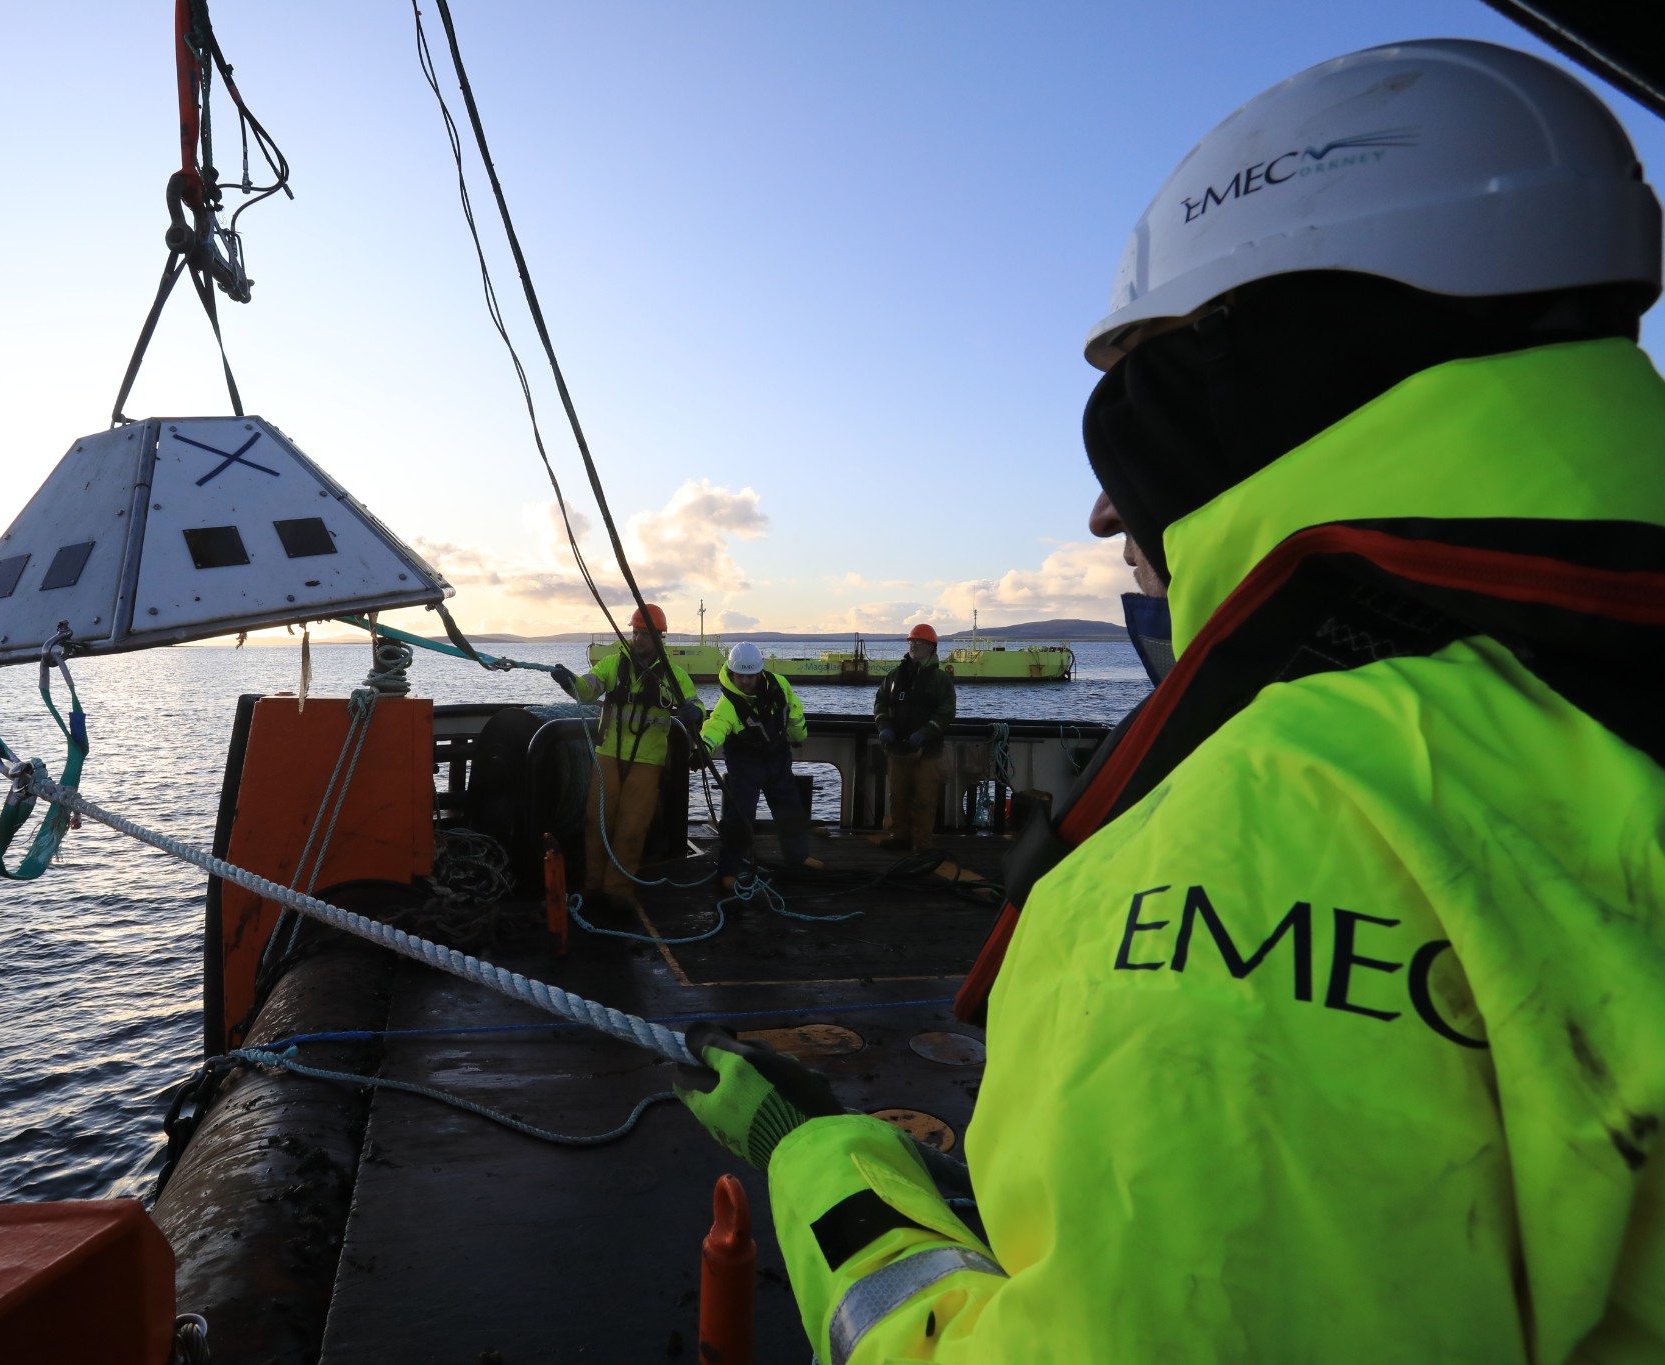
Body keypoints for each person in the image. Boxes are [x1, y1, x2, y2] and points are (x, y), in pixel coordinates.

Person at [675, 38, 1665, 1363]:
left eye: (1140, 406)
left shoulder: (1277, 819)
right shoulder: (1584, 699)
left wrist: (819, 1161)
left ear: (1256, 375)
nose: (1106, 512)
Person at [551, 604, 701, 909]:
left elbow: (694, 702)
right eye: (636, 632)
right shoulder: (611, 665)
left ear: (659, 637)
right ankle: (593, 885)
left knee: (632, 828)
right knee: (596, 821)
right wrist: (569, 681)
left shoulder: (673, 675)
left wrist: (695, 713)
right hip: (607, 753)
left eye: (645, 634)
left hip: (648, 761)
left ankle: (617, 892)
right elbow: (587, 689)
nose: (639, 638)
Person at [697, 641, 819, 888]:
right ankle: (731, 870)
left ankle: (799, 858)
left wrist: (799, 736)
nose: (745, 681)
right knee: (740, 818)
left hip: (778, 759)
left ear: (760, 672)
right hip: (745, 766)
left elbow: (794, 711)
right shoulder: (728, 703)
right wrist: (701, 748)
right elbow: (715, 726)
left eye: (750, 676)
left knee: (790, 811)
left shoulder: (780, 685)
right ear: (732, 673)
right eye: (740, 676)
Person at [870, 624, 955, 852]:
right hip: (898, 748)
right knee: (898, 795)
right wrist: (884, 726)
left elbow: (946, 711)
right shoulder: (895, 676)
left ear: (931, 647)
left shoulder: (940, 679)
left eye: (919, 642)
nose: (914, 645)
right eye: (911, 641)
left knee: (924, 799)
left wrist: (925, 733)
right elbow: (881, 702)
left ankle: (922, 844)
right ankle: (900, 837)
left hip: (928, 751)